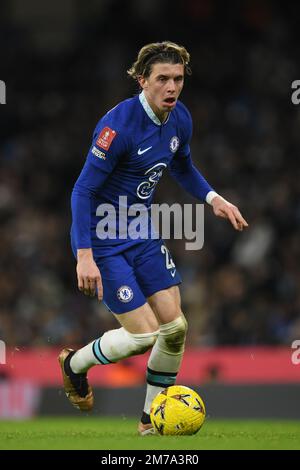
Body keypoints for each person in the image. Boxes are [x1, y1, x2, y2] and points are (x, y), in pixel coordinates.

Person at [58, 41, 248, 435]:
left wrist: (213, 198)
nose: (171, 87)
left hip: (142, 232)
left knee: (176, 328)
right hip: (104, 238)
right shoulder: (118, 127)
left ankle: (149, 422)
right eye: (162, 79)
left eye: (178, 79)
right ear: (143, 80)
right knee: (143, 335)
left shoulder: (180, 119)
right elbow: (82, 191)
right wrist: (84, 256)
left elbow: (184, 166)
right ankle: (74, 364)